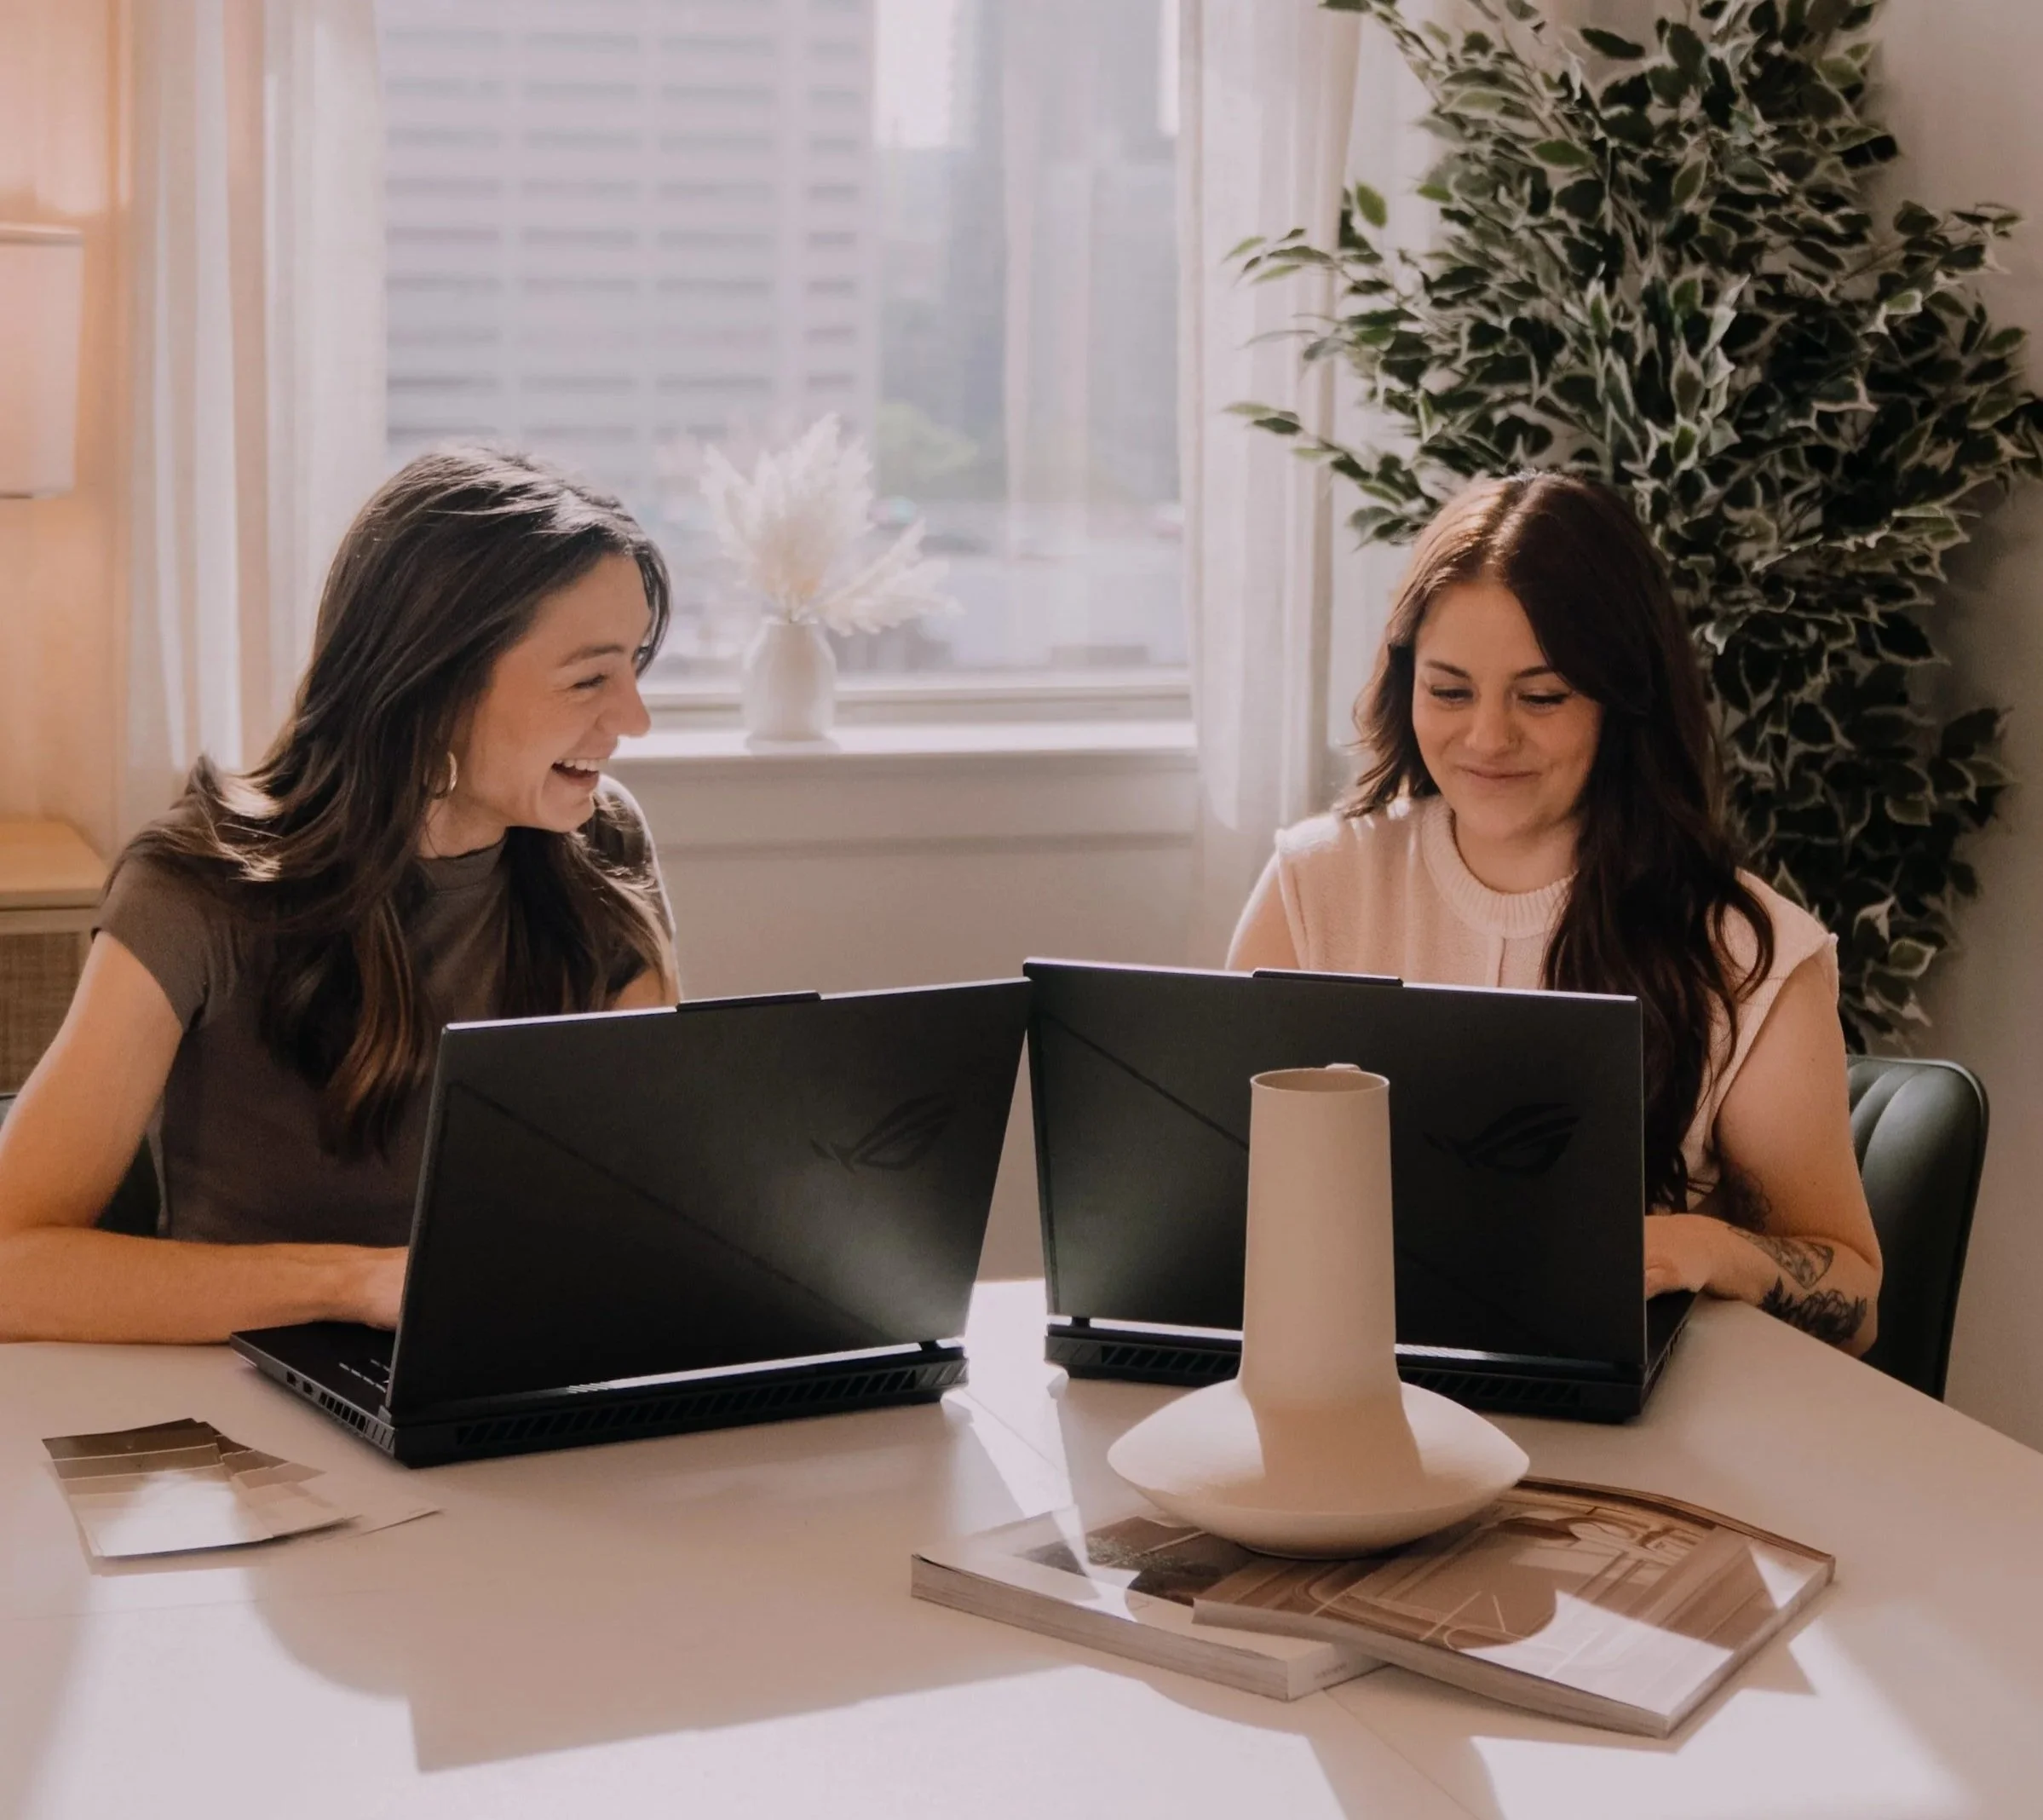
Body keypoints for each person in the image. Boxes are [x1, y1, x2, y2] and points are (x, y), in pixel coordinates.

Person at [0, 448, 680, 1344]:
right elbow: (15, 1264)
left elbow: (653, 1199)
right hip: (250, 1413)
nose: (633, 717)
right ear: (432, 684)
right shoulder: (196, 887)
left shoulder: (599, 843)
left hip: (515, 1374)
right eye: (590, 678)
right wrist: (357, 1284)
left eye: (633, 664)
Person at [1228, 472, 1883, 1353]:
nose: (1488, 738)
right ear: (1403, 683)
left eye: (1542, 697)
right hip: (1353, 1383)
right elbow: (1218, 1194)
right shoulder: (1313, 886)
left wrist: (1710, 1248)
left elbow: (1853, 1299)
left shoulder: (1742, 953)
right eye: (1449, 691)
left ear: (1622, 700)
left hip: (1643, 1434)